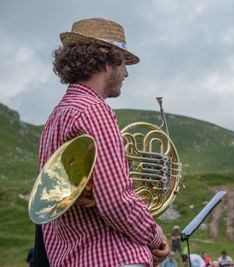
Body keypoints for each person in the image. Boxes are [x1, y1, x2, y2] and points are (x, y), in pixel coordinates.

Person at [33, 17, 170, 267]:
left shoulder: (57, 116)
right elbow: (116, 200)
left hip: (71, 258)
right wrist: (155, 236)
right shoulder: (94, 111)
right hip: (112, 256)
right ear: (107, 61)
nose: (126, 72)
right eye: (124, 63)